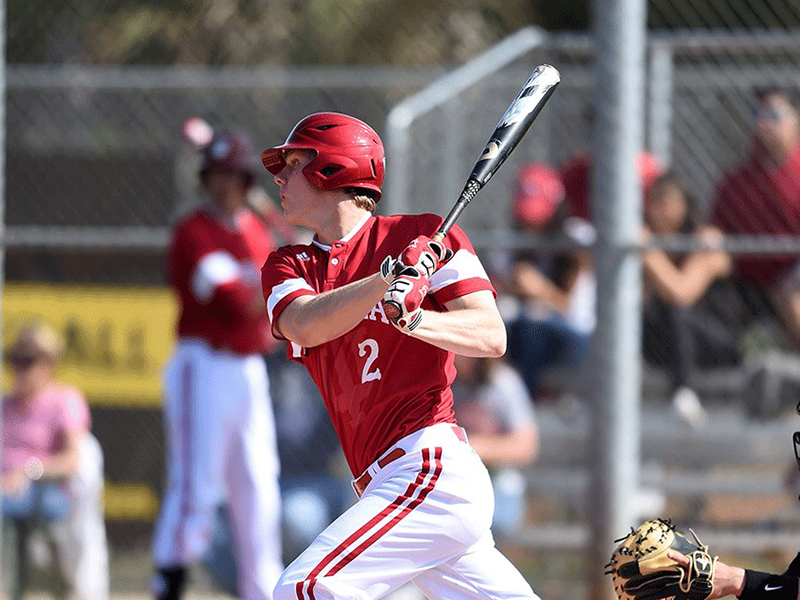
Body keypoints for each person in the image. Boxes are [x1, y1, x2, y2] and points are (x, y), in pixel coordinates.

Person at [261, 112, 539, 599]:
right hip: (385, 483)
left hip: (429, 467)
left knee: (305, 588)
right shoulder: (291, 264)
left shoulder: (428, 235)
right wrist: (386, 279)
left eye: (293, 163)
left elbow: (491, 335)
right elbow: (305, 322)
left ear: (331, 169)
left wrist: (414, 320)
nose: (279, 177)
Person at [150, 129, 283, 600]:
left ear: (247, 180)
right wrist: (300, 274)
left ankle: (263, 588)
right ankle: (171, 576)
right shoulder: (193, 231)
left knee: (258, 484)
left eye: (234, 176)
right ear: (204, 180)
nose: (225, 185)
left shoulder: (255, 229)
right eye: (216, 176)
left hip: (250, 369)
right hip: (203, 365)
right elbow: (246, 303)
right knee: (197, 483)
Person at [641, 172, 744, 427]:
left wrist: (648, 252)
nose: (657, 210)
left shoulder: (706, 238)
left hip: (718, 343)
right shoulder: (654, 243)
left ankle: (684, 393)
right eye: (653, 202)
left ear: (685, 206)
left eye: (666, 202)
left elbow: (681, 292)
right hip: (670, 347)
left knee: (678, 310)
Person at [2, 321, 94, 600]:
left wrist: (28, 472)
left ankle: (62, 589)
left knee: (26, 507)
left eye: (28, 361)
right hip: (7, 489)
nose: (20, 369)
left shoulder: (64, 400)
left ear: (48, 364)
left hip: (49, 488)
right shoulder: (5, 404)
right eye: (15, 360)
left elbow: (72, 460)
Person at [709, 86, 800, 350]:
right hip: (751, 283)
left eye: (773, 115)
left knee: (791, 291)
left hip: (791, 277)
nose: (763, 123)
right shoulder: (738, 179)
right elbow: (715, 227)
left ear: (795, 119)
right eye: (756, 114)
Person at [504, 163, 595, 398]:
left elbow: (575, 310)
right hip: (528, 330)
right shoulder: (513, 241)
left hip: (575, 334)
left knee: (533, 327)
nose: (532, 224)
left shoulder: (576, 237)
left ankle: (531, 400)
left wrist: (540, 289)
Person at [450, 354, 539, 536]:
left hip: (498, 483)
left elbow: (526, 446)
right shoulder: (445, 383)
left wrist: (473, 447)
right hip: (454, 481)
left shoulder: (504, 382)